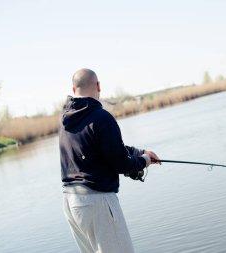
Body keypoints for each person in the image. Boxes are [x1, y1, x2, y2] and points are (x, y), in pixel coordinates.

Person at [59, 68, 161, 253]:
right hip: (96, 201)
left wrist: (140, 152)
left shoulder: (66, 120)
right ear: (98, 86)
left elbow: (107, 148)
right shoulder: (101, 117)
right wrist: (145, 160)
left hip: (71, 203)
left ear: (74, 90)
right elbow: (121, 163)